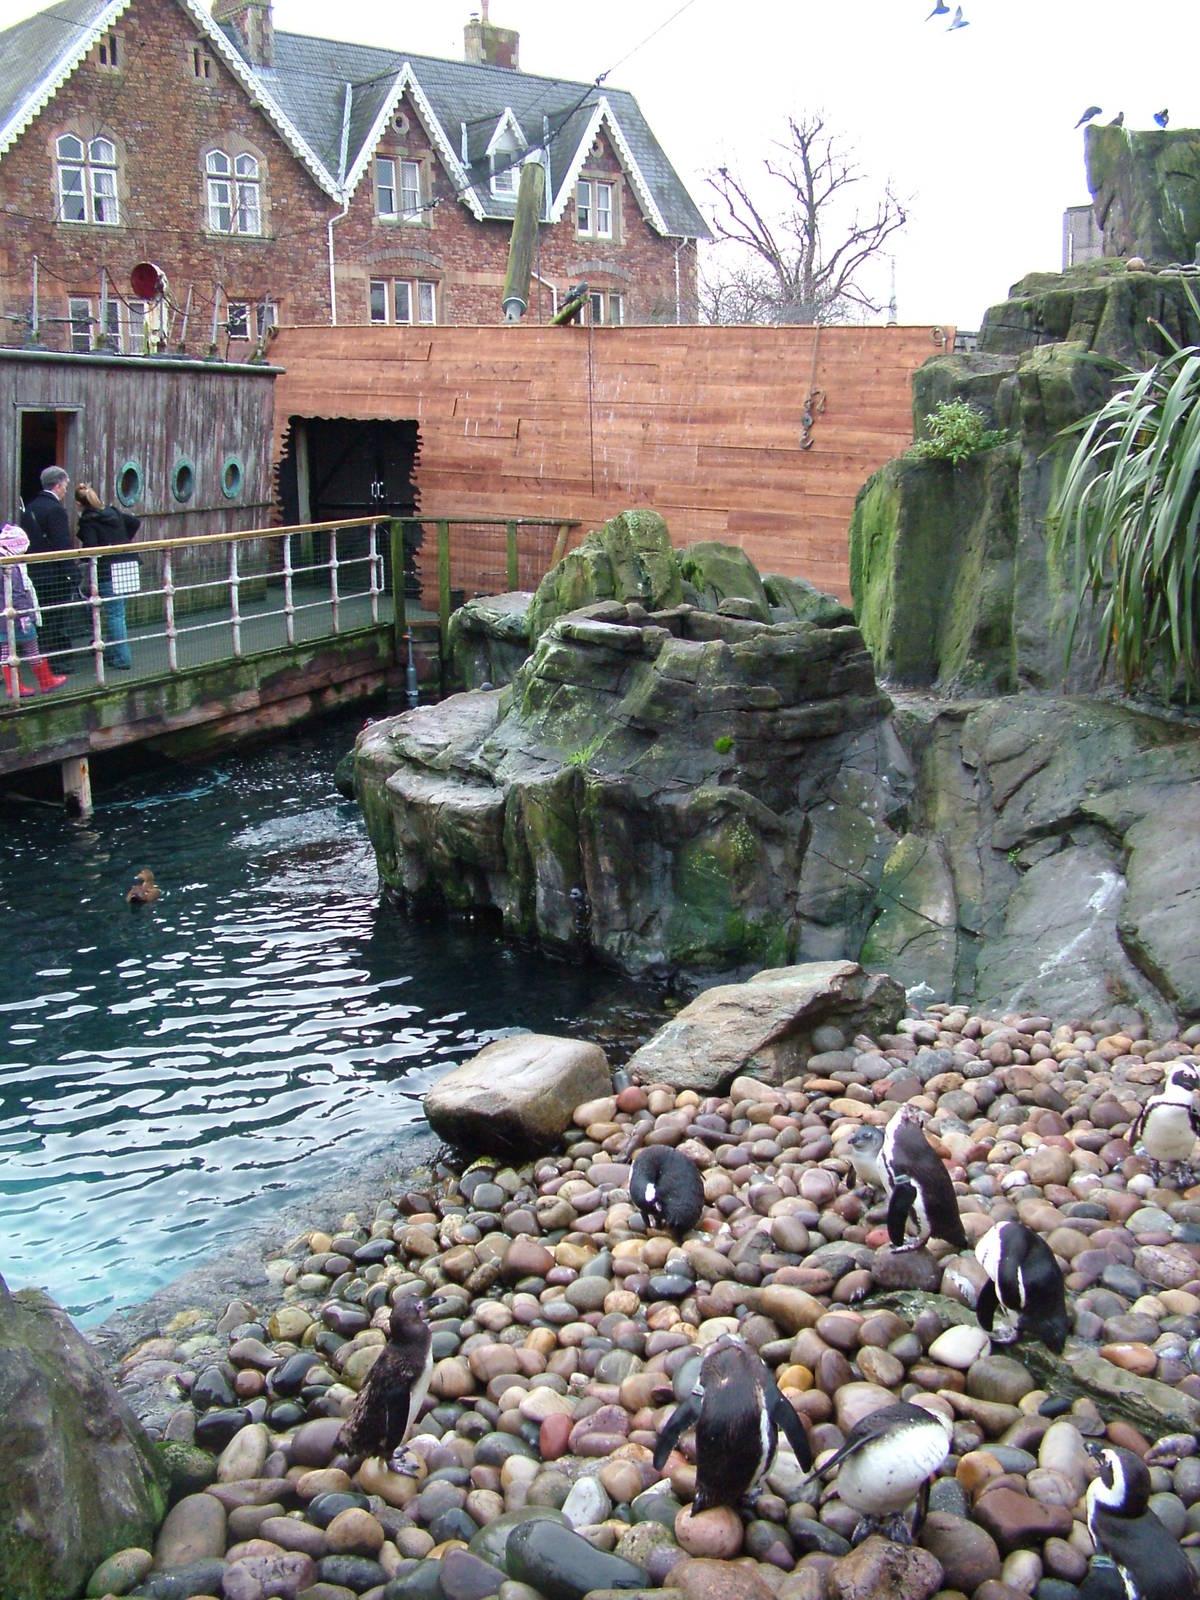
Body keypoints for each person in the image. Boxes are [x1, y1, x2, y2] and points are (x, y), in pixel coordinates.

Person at [74, 483, 138, 670]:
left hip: (108, 569)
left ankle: (123, 658)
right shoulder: (112, 511)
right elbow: (135, 523)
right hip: (128, 564)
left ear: (79, 504)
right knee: (118, 612)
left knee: (114, 614)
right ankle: (112, 651)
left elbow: (91, 547)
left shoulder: (88, 521)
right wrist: (122, 541)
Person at [0, 523, 68, 698]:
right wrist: (26, 615)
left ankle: (13, 687)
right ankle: (46, 682)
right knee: (32, 647)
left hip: (3, 616)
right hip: (18, 616)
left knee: (6, 651)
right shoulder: (11, 566)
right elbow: (17, 594)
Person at [23, 465, 81, 665]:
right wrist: (73, 573)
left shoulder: (31, 508)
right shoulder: (55, 509)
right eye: (65, 485)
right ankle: (52, 663)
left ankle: (49, 660)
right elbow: (62, 544)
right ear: (57, 485)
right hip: (55, 574)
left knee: (44, 617)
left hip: (35, 571)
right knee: (57, 617)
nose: (66, 489)